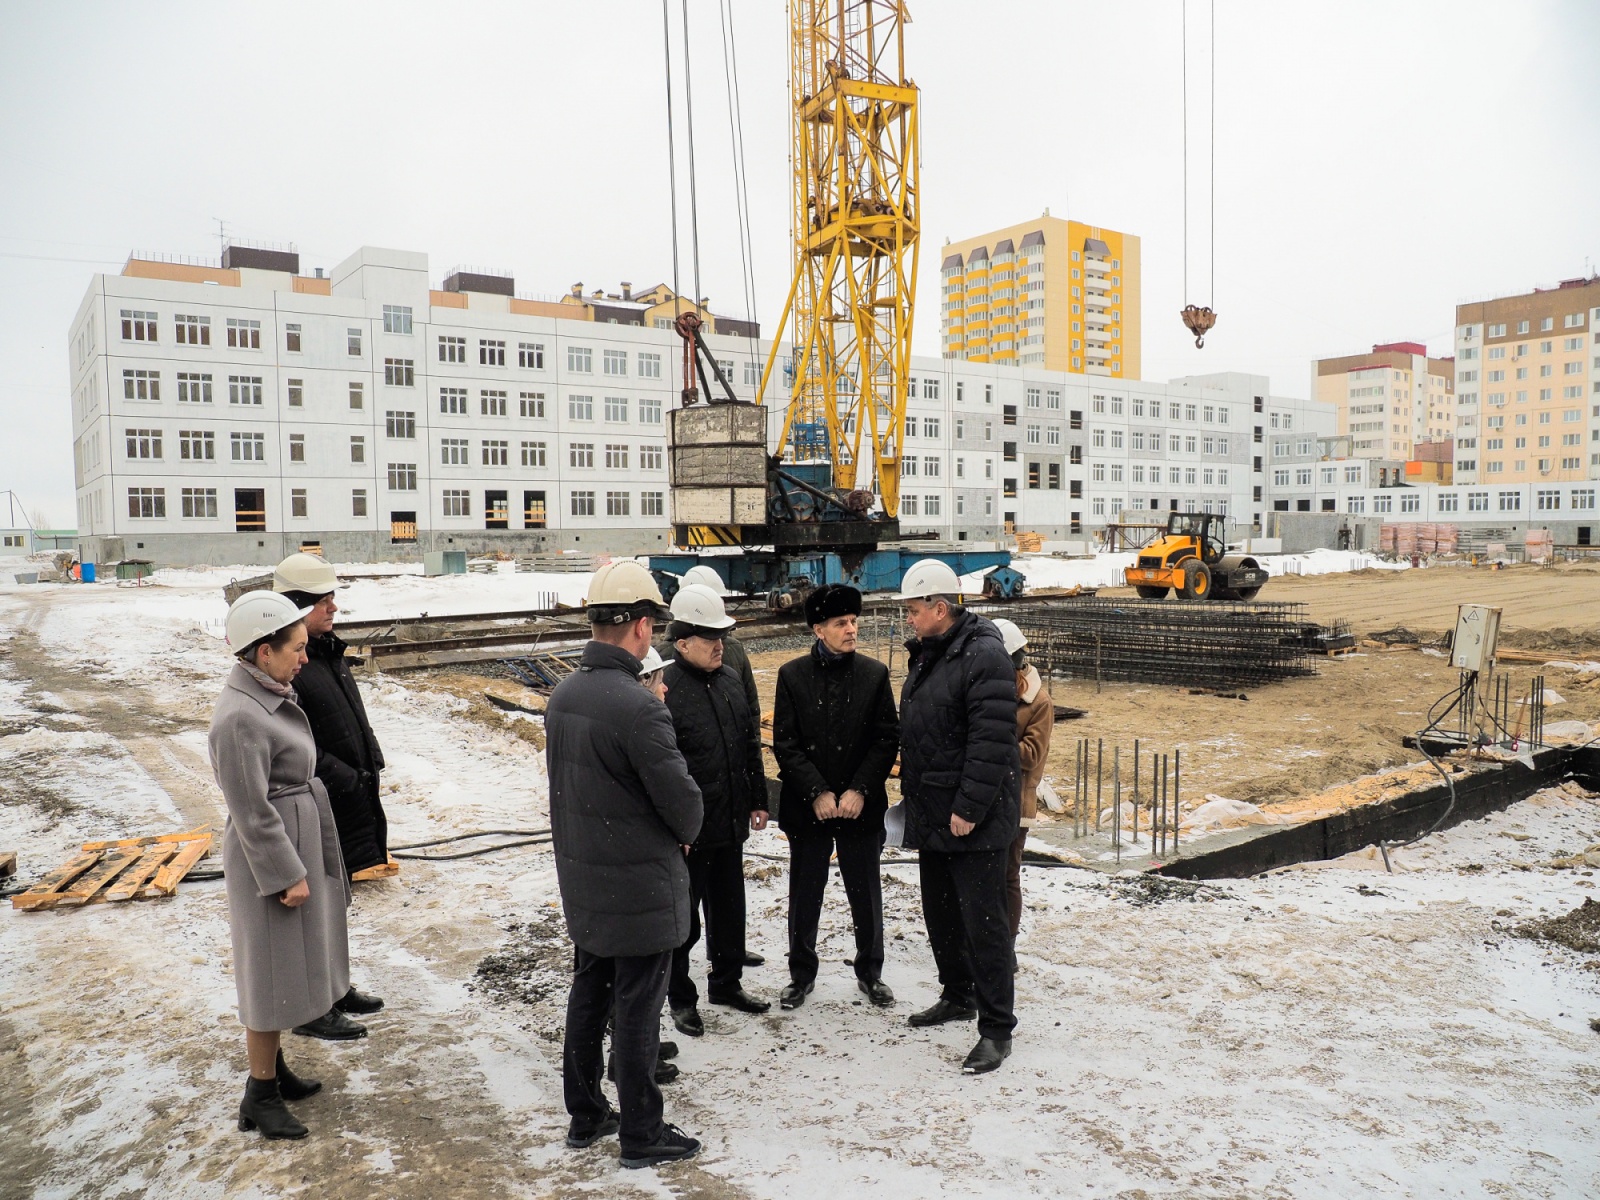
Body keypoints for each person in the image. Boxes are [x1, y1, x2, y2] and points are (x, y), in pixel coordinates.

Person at [546, 560, 704, 1169]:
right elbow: (685, 808)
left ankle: (586, 1115)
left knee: (590, 993)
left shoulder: (565, 695)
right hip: (639, 882)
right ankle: (642, 1131)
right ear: (641, 626)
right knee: (638, 1007)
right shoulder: (639, 707)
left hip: (587, 878)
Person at [209, 591, 352, 1140]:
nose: (305, 657)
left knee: (288, 966)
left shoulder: (266, 694)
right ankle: (259, 1094)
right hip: (270, 856)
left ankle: (273, 1068)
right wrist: (285, 873)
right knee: (267, 975)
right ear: (263, 652)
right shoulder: (241, 717)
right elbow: (249, 809)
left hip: (294, 839)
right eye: (295, 648)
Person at [895, 559, 1021, 1075]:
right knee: (941, 915)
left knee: (983, 924)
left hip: (972, 818)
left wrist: (968, 808)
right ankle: (957, 993)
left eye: (913, 610)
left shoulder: (984, 655)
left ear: (939, 608)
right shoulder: (931, 654)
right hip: (933, 813)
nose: (908, 619)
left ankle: (996, 1028)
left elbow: (991, 742)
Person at [271, 552, 386, 1041]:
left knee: (336, 898)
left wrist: (371, 760)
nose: (333, 607)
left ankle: (334, 988)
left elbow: (346, 718)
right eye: (323, 600)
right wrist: (345, 776)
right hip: (321, 798)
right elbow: (299, 745)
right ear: (297, 607)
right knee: (312, 907)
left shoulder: (325, 654)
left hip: (344, 796)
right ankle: (311, 1005)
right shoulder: (294, 664)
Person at [771, 584, 900, 1010]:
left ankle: (871, 973)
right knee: (805, 893)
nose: (852, 630)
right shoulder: (792, 676)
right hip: (810, 810)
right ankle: (801, 974)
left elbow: (885, 740)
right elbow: (785, 743)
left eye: (853, 622)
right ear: (818, 630)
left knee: (866, 893)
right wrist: (817, 792)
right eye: (841, 623)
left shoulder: (873, 674)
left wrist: (860, 790)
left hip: (859, 809)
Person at [662, 583, 772, 1034]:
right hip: (690, 831)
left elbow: (748, 743)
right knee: (683, 921)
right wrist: (676, 827)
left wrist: (759, 800)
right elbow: (662, 767)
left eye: (722, 637)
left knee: (729, 909)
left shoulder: (729, 679)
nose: (720, 646)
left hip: (730, 820)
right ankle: (680, 997)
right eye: (711, 640)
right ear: (683, 643)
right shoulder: (664, 688)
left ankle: (727, 983)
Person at [990, 619, 1053, 946]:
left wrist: (994, 740)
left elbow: (1031, 754)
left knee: (1007, 876)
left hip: (1016, 802)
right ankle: (987, 939)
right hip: (987, 798)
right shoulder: (995, 691)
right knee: (987, 875)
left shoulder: (1038, 703)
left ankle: (1006, 946)